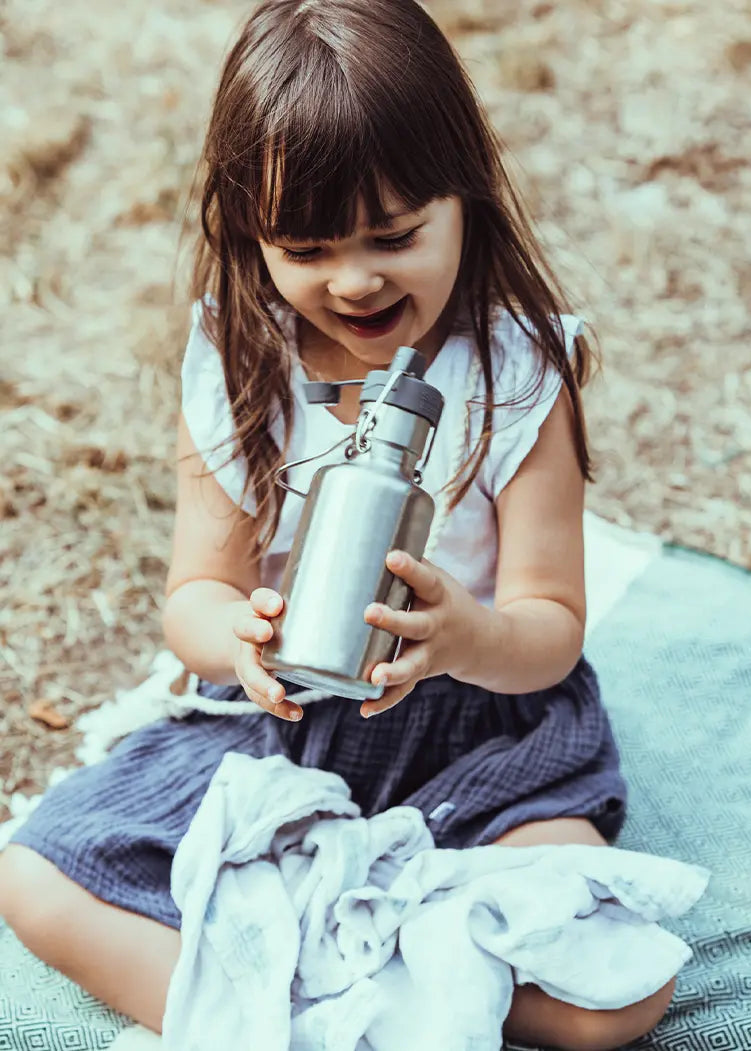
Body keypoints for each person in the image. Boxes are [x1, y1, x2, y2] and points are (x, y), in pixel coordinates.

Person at [0, 1, 676, 1046]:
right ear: (248, 235)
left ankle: (307, 959)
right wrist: (238, 639)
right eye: (307, 247)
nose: (356, 280)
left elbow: (548, 632)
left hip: (475, 726)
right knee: (38, 880)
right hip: (279, 726)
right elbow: (195, 595)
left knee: (617, 996)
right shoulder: (241, 365)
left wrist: (463, 635)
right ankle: (335, 998)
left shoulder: (517, 373)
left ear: (466, 200)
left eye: (396, 236)